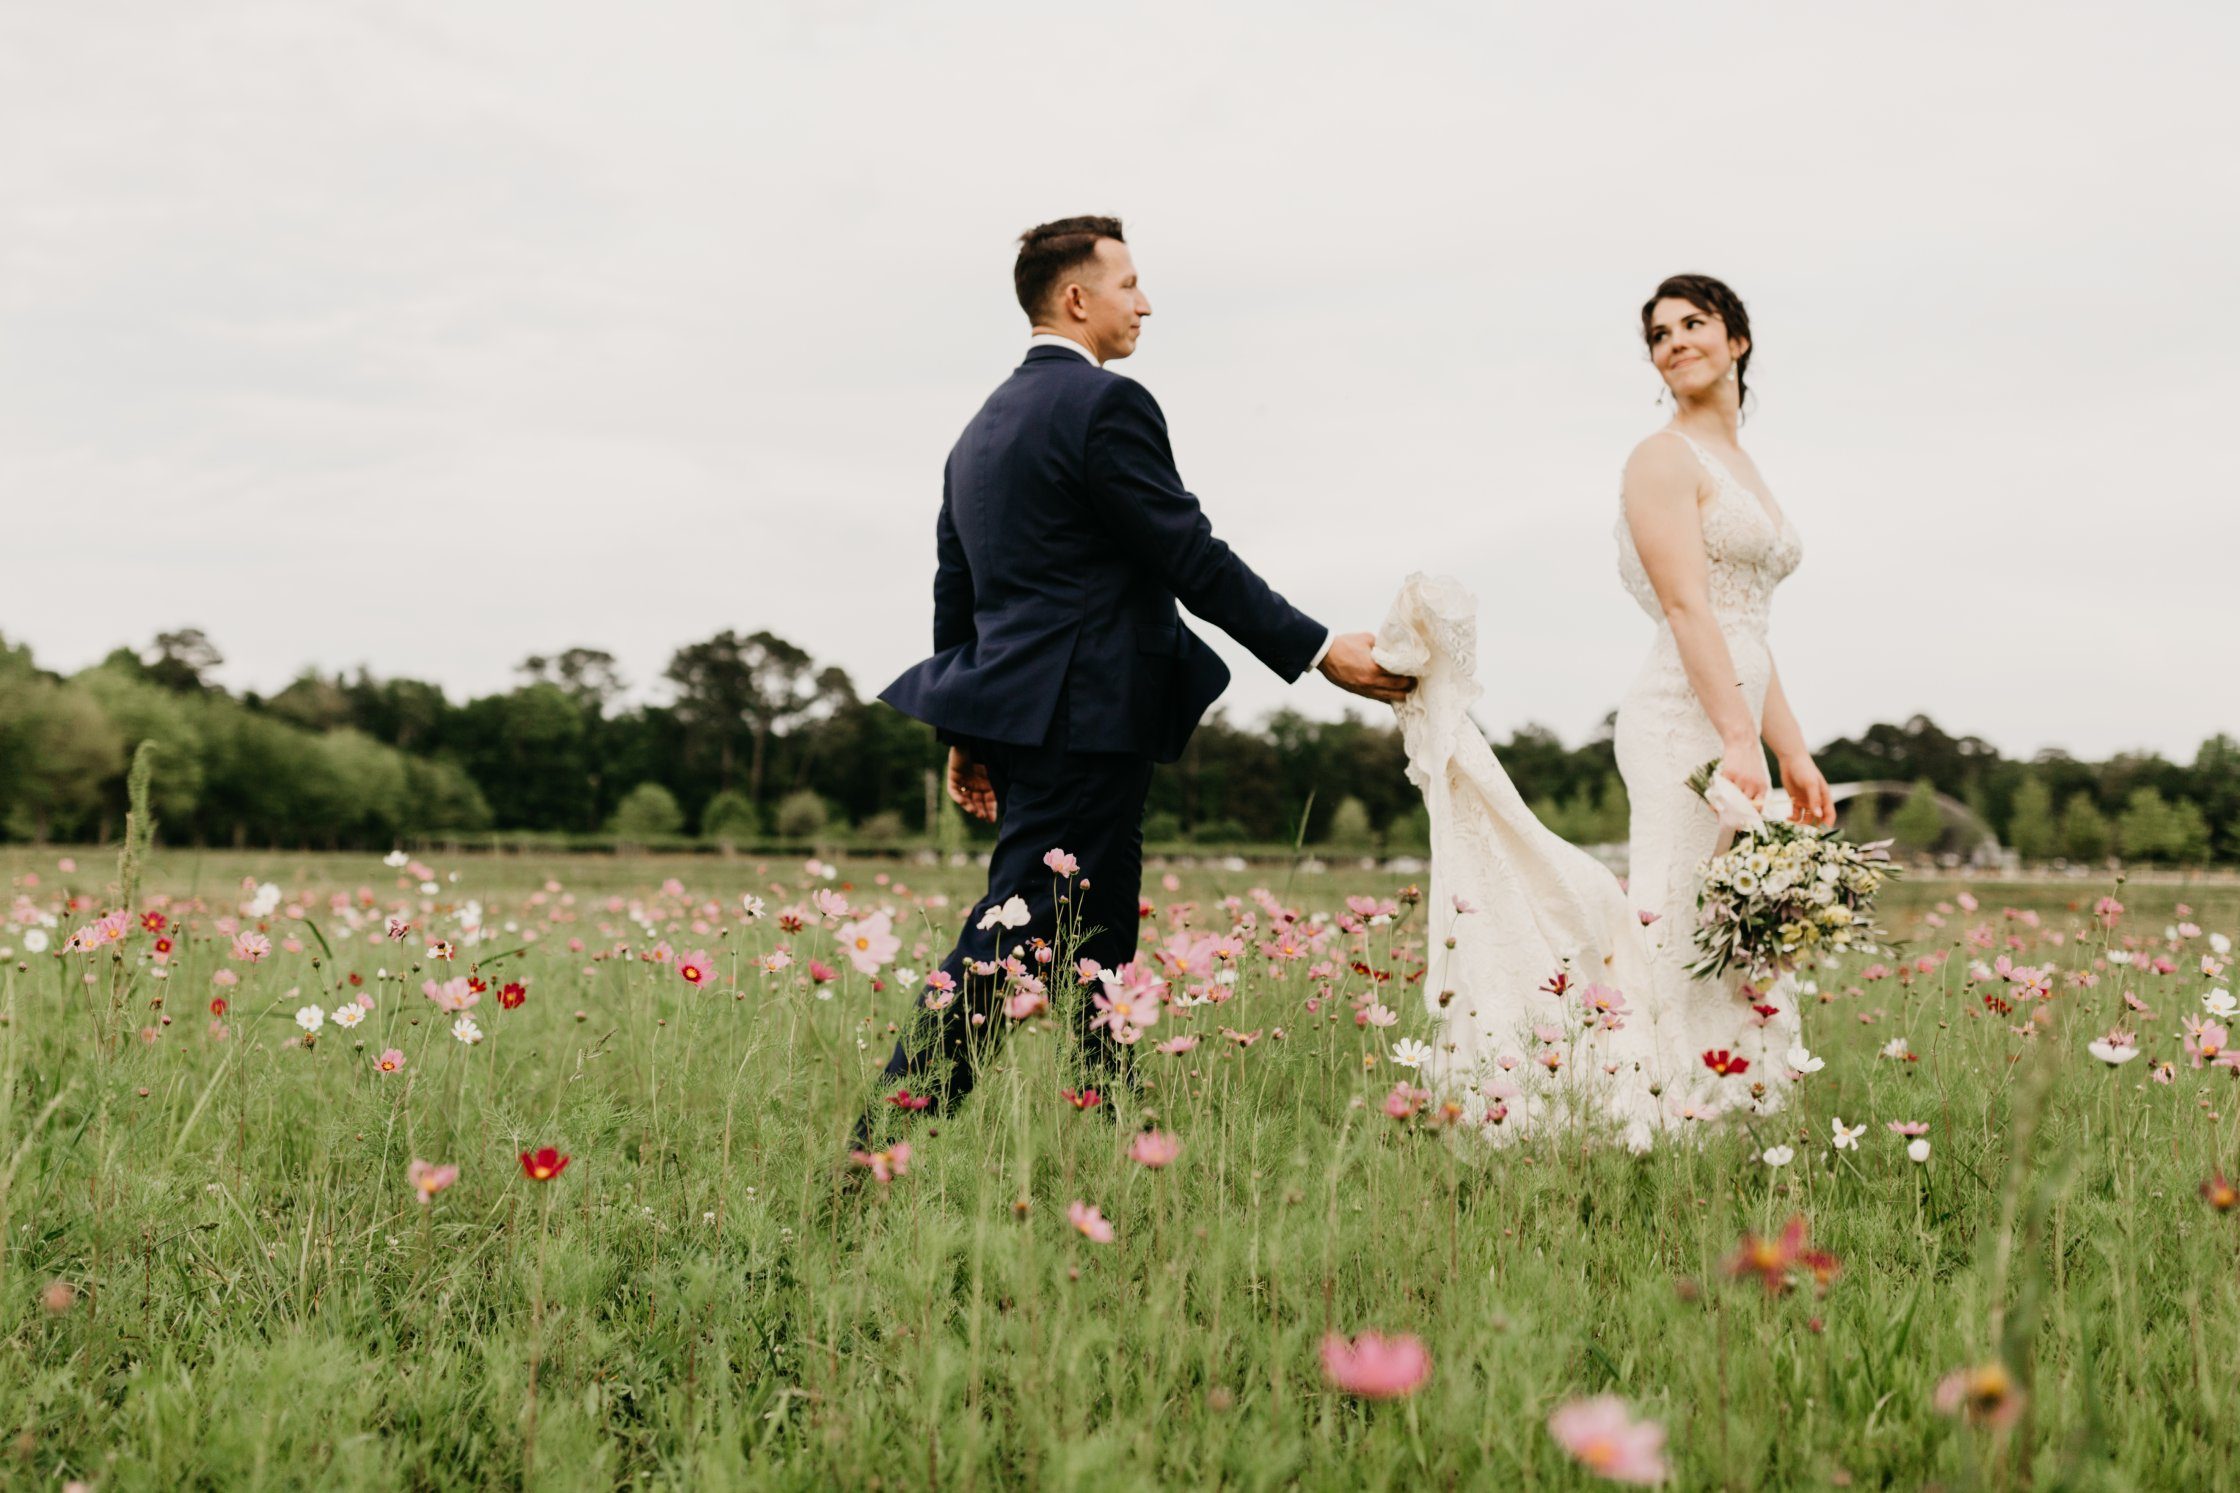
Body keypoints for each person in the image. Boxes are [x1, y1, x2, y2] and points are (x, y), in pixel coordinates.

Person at [865, 215, 1410, 1138]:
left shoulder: (978, 432)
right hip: (1085, 717)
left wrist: (967, 730)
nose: (1144, 303)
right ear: (1077, 299)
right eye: (1129, 285)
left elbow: (959, 590)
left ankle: (1115, 1134)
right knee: (1011, 936)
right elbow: (1188, 556)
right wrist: (1320, 649)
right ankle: (878, 1147)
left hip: (1043, 717)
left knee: (1100, 947)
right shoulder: (1106, 406)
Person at [1373, 273, 1833, 1151]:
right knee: (1677, 909)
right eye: (1659, 335)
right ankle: (1649, 1111)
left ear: (1738, 339)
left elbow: (1750, 633)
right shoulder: (1660, 459)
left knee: (1728, 922)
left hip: (1736, 707)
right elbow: (1691, 609)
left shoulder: (1745, 466)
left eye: (1694, 323)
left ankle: (1730, 1108)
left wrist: (1794, 754)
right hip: (1678, 717)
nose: (1675, 342)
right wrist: (1740, 739)